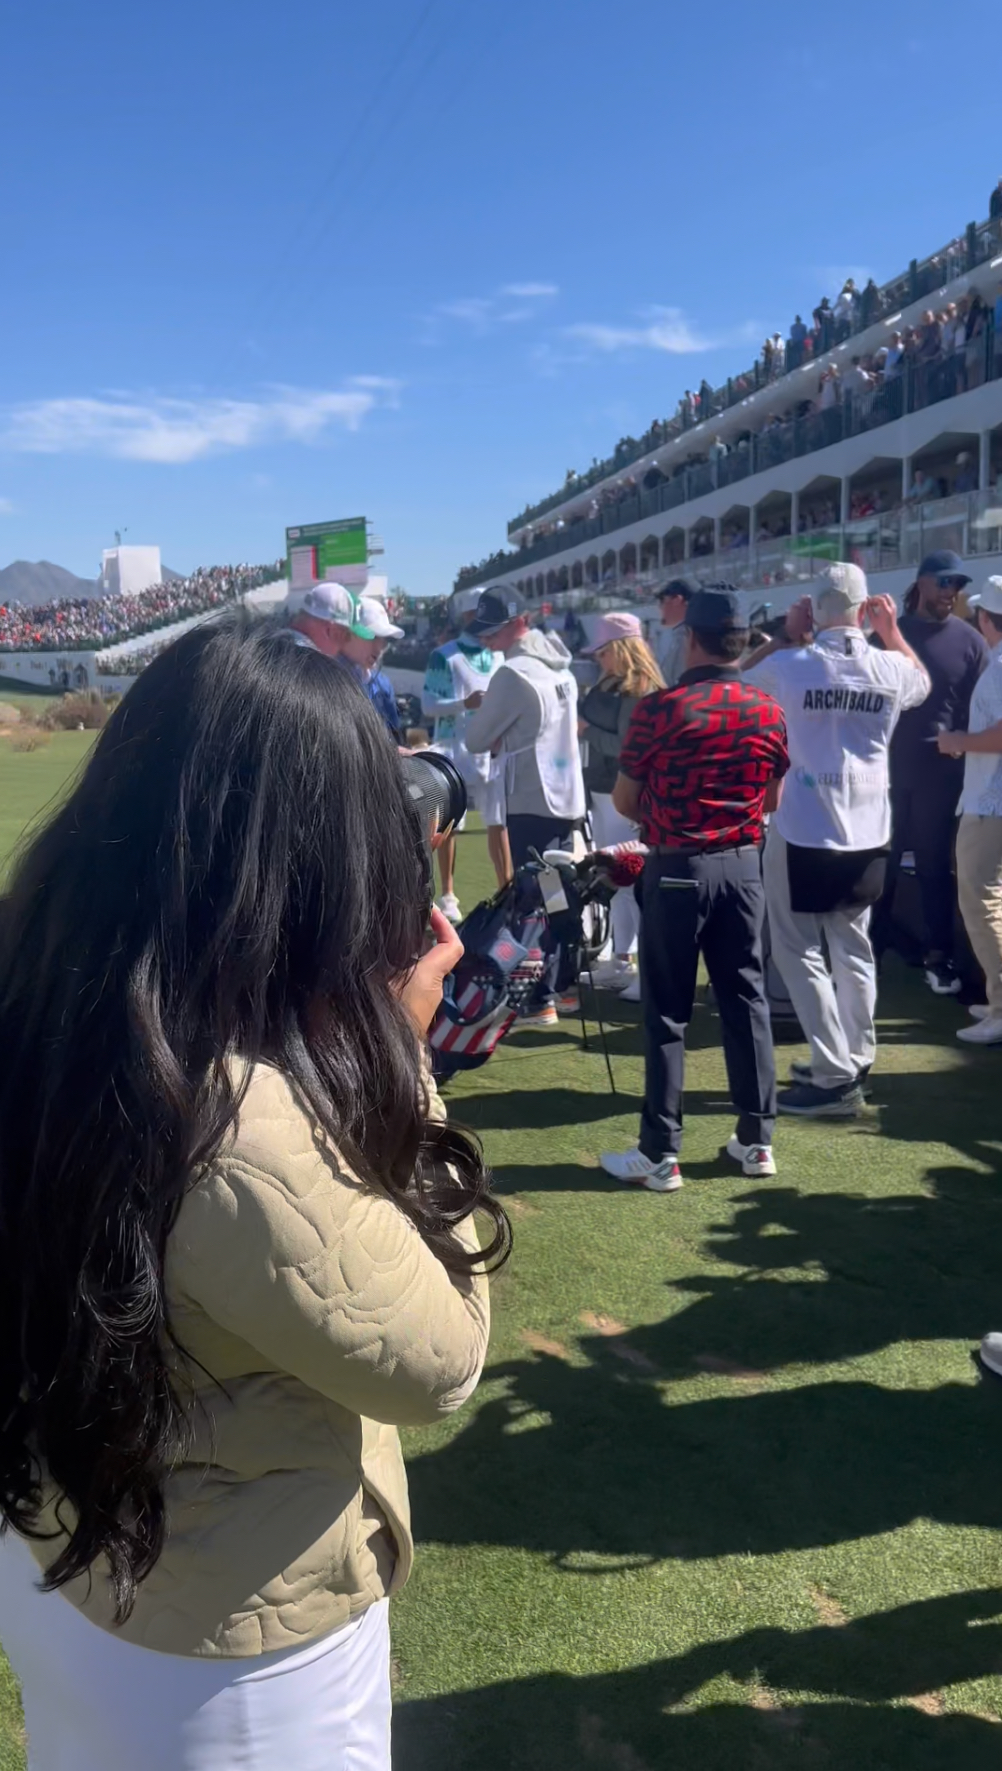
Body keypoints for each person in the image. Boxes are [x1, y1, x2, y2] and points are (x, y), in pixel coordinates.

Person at [0, 615, 509, 1771]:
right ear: (312, 861)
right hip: (225, 1645)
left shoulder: (48, 985)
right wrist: (401, 1058)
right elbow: (440, 1357)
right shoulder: (233, 1120)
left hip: (63, 1543)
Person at [600, 586, 790, 1192]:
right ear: (742, 640)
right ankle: (756, 1141)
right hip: (743, 869)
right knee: (746, 1003)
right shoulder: (767, 709)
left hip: (678, 867)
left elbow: (624, 800)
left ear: (690, 639)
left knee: (667, 1012)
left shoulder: (661, 709)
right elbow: (771, 799)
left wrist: (671, 816)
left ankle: (660, 1152)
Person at [744, 564, 930, 1118]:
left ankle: (832, 1073)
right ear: (864, 608)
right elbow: (920, 683)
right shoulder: (890, 666)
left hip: (803, 824)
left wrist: (784, 634)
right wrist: (891, 633)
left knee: (797, 948)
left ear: (814, 610)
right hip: (868, 827)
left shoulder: (790, 664)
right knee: (852, 945)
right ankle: (855, 1055)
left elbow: (732, 682)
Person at [464, 586, 586, 1025]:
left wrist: (489, 719)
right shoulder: (561, 667)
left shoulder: (512, 673)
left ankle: (540, 997)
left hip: (531, 795)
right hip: (564, 793)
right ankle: (562, 986)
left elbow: (475, 739)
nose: (485, 640)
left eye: (491, 630)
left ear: (518, 622)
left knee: (534, 900)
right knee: (557, 896)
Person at [874, 551, 989, 994]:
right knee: (879, 865)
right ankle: (869, 951)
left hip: (941, 777)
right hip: (883, 773)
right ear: (921, 582)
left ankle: (939, 957)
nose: (951, 592)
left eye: (956, 585)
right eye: (944, 582)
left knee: (934, 867)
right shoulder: (886, 634)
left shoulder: (971, 641)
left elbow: (980, 711)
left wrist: (962, 743)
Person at [577, 613, 664, 999]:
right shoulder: (617, 684)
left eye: (603, 652)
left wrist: (586, 731)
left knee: (632, 879)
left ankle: (639, 966)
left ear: (619, 649)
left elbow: (630, 747)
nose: (598, 659)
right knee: (619, 879)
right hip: (607, 790)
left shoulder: (638, 689)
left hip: (625, 793)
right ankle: (622, 960)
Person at [935, 576, 1002, 1044]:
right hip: (988, 801)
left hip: (990, 804)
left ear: (985, 619)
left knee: (982, 904)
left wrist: (958, 740)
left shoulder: (998, 670)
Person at [421, 588, 510, 916]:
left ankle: (506, 891)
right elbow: (428, 705)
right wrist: (464, 703)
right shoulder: (443, 655)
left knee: (499, 822)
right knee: (450, 824)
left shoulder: (500, 656)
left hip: (491, 750)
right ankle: (448, 895)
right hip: (454, 750)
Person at [653, 576, 696, 686]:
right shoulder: (694, 633)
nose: (659, 607)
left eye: (662, 600)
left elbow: (679, 684)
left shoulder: (688, 637)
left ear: (677, 600)